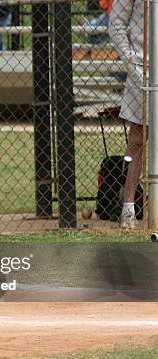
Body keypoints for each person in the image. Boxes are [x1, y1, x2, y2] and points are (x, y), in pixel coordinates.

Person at [108, 0, 145, 228]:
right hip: (143, 67)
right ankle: (128, 207)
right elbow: (116, 23)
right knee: (137, 139)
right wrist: (132, 62)